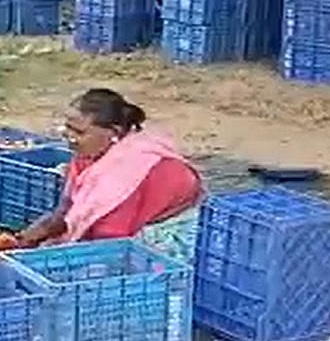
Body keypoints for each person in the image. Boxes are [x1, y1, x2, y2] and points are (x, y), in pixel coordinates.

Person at [16, 88, 203, 246]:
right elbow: (66, 210)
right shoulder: (91, 152)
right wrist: (27, 236)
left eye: (79, 132)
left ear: (114, 132)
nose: (68, 137)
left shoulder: (124, 172)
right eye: (67, 127)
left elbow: (108, 242)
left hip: (169, 230)